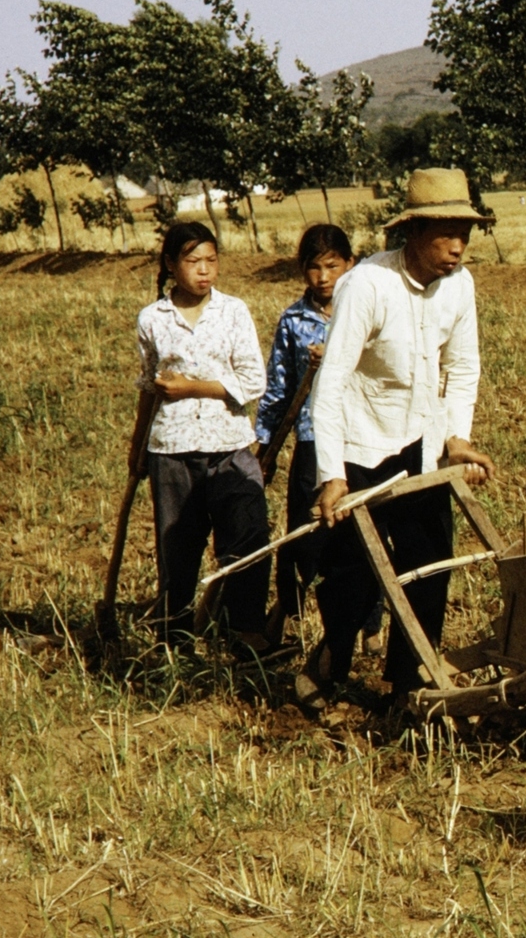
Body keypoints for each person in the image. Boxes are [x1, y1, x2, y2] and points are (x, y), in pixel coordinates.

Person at [298, 168, 496, 709]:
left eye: (466, 235)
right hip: (361, 442)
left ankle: (409, 686)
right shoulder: (367, 285)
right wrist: (332, 476)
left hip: (422, 442)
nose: (458, 248)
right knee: (351, 576)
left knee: (429, 565)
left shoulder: (460, 285)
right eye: (445, 235)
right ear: (412, 232)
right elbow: (332, 382)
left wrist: (456, 437)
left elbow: (463, 366)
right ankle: (327, 665)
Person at [128, 222, 272, 648]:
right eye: (193, 262)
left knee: (249, 538)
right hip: (171, 449)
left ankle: (247, 633)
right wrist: (138, 448)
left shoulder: (234, 311)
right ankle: (173, 636)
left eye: (211, 260)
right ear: (171, 265)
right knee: (177, 548)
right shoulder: (152, 319)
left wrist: (194, 388)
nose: (204, 270)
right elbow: (148, 388)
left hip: (229, 444)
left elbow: (253, 380)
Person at [256, 222, 353, 644]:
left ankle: (365, 624)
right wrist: (265, 441)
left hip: (359, 437)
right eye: (314, 268)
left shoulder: (363, 310)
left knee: (358, 535)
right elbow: (278, 386)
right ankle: (289, 612)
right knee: (301, 530)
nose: (324, 277)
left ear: (350, 264)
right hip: (313, 438)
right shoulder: (294, 320)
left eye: (333, 266)